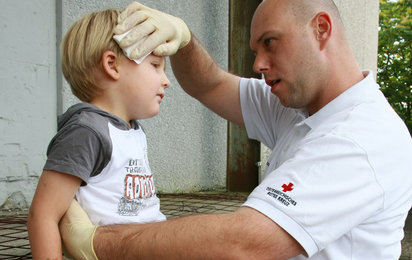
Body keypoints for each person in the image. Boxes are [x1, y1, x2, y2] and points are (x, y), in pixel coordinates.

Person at [59, 0, 412, 259]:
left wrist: (95, 241)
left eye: (270, 42)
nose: (258, 64)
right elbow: (210, 85)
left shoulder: (363, 138)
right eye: (256, 49)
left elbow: (242, 243)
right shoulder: (298, 106)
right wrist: (182, 39)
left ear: (321, 29)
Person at [27, 7, 170, 260]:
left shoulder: (132, 128)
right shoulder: (87, 131)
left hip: (155, 243)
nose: (165, 80)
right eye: (156, 65)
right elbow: (43, 214)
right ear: (112, 65)